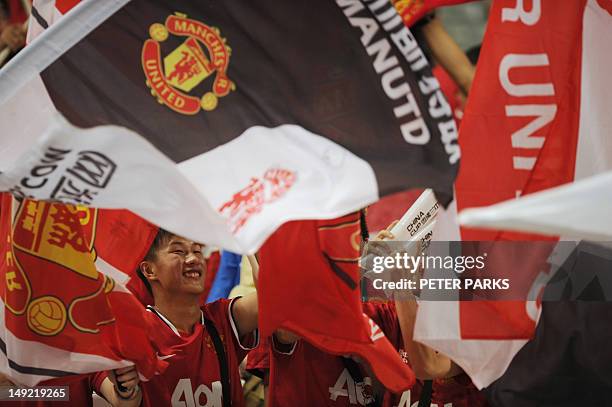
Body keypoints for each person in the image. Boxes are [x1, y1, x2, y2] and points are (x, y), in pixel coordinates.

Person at [96, 229, 259, 407]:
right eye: (179, 251)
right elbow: (122, 401)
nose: (194, 259)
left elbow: (272, 296)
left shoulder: (223, 318)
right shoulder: (132, 334)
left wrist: (251, 230)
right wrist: (126, 389)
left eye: (197, 251)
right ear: (149, 270)